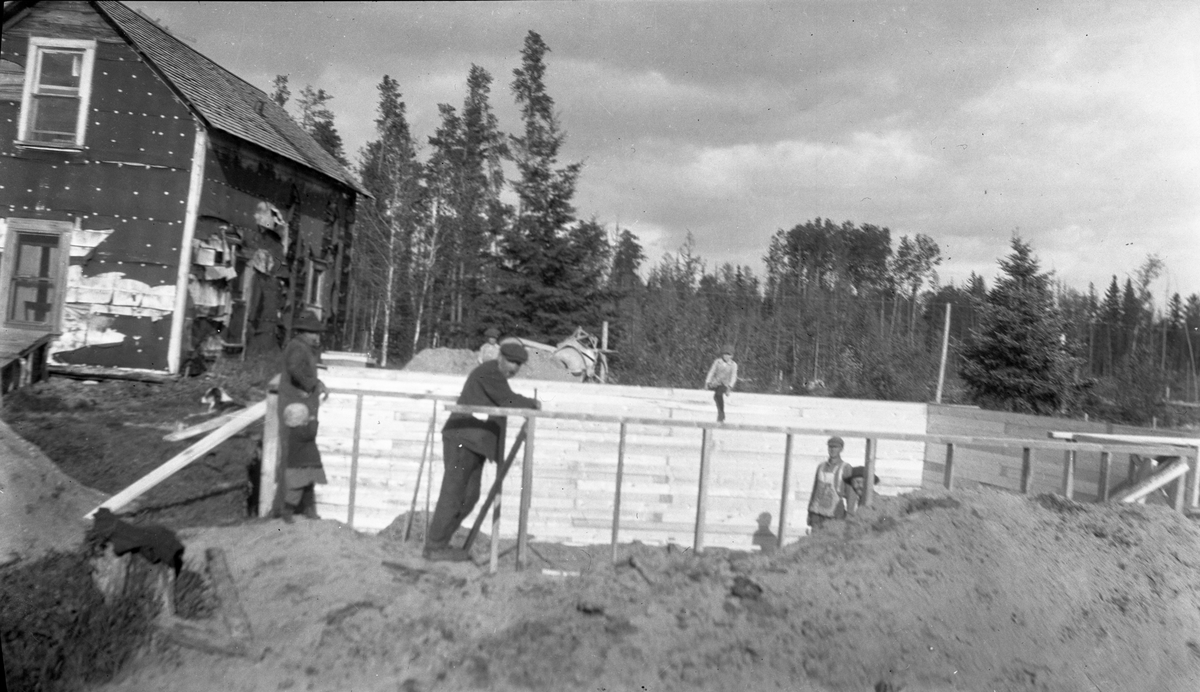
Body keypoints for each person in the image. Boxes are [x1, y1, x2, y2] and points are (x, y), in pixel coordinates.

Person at [426, 341, 541, 561]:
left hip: (473, 443)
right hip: (462, 440)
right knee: (454, 493)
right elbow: (507, 400)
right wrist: (532, 403)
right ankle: (434, 546)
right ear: (500, 357)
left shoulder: (495, 375)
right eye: (512, 362)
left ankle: (441, 544)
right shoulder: (489, 372)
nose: (514, 369)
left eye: (519, 365)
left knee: (469, 496)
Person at [278, 313, 328, 521]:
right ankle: (286, 509)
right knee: (296, 462)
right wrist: (311, 385)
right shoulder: (297, 348)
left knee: (306, 462)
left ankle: (305, 508)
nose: (316, 338)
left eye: (317, 333)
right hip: (295, 412)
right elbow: (294, 368)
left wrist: (317, 385)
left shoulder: (302, 347)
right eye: (312, 333)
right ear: (302, 332)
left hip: (302, 411)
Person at [807, 436, 853, 532]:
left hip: (834, 513)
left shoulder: (845, 468)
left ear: (841, 449)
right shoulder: (821, 467)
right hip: (816, 513)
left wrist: (850, 514)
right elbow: (815, 490)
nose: (832, 450)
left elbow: (851, 494)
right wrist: (809, 512)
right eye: (830, 447)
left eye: (835, 447)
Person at [704, 344, 738, 422]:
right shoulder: (717, 362)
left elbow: (733, 377)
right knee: (713, 389)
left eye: (728, 355)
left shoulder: (733, 365)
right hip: (716, 382)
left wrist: (729, 387)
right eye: (725, 354)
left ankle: (721, 413)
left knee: (718, 394)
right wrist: (707, 382)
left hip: (725, 384)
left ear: (732, 356)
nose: (726, 356)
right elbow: (711, 372)